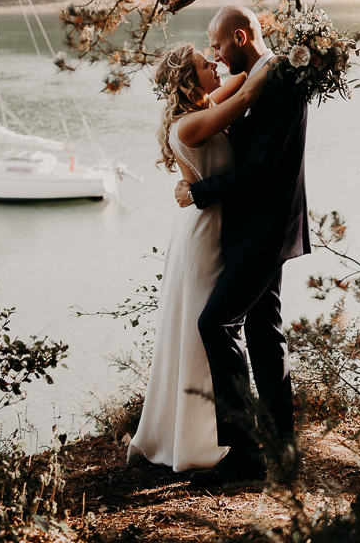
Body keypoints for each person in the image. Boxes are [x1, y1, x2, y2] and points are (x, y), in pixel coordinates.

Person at [174, 5, 310, 489]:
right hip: (252, 227)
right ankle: (281, 448)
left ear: (238, 36)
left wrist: (199, 193)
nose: (213, 53)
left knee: (216, 321)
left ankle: (247, 454)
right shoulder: (258, 75)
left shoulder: (280, 80)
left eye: (216, 45)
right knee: (263, 333)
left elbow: (260, 169)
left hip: (265, 227)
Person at [127, 42, 274, 473]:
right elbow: (246, 94)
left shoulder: (204, 105)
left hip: (215, 228)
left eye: (211, 60)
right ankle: (198, 439)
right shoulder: (190, 125)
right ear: (189, 83)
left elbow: (242, 79)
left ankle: (218, 433)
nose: (214, 65)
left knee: (212, 331)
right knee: (204, 333)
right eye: (203, 65)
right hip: (204, 236)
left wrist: (240, 55)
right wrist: (289, 58)